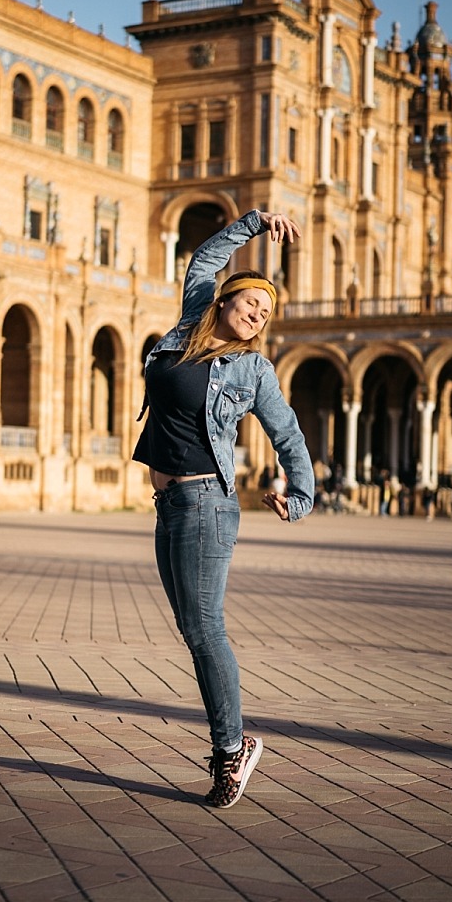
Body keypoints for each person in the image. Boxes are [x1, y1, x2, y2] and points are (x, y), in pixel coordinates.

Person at [133, 209, 313, 809]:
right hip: (170, 501)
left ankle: (232, 752)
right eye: (252, 303)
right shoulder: (190, 322)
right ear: (228, 298)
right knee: (193, 628)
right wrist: (256, 223)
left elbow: (288, 435)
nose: (257, 315)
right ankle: (232, 744)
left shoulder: (253, 369)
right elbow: (203, 260)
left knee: (205, 628)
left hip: (206, 503)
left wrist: (301, 494)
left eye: (266, 314)